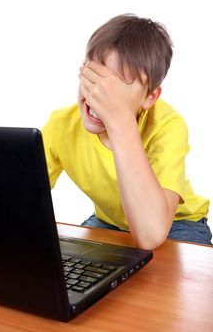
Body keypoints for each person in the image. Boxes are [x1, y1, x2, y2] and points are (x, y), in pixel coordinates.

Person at [42, 14, 212, 249]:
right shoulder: (61, 124)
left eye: (116, 88)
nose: (99, 96)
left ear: (150, 97)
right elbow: (16, 197)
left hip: (176, 223)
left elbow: (151, 233)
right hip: (111, 222)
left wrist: (119, 120)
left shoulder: (167, 126)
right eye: (94, 78)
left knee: (157, 282)